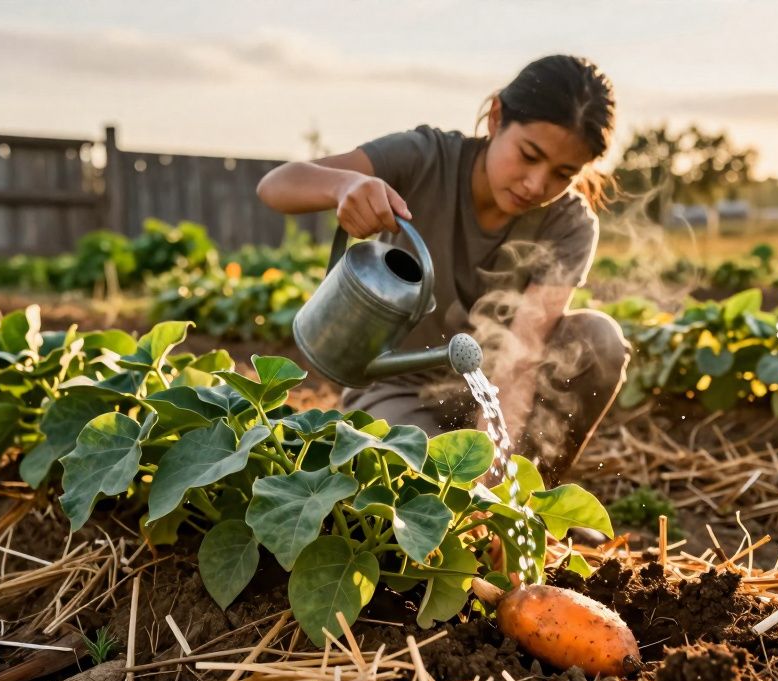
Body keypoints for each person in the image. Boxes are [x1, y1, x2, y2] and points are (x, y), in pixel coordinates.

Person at [256, 55, 629, 487]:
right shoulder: (426, 159)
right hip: (399, 390)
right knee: (424, 487)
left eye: (562, 174)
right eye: (529, 156)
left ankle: (529, 502)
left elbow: (521, 359)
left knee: (599, 342)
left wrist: (493, 479)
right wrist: (344, 185)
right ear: (496, 118)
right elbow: (275, 186)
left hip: (498, 397)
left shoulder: (569, 224)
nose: (535, 184)